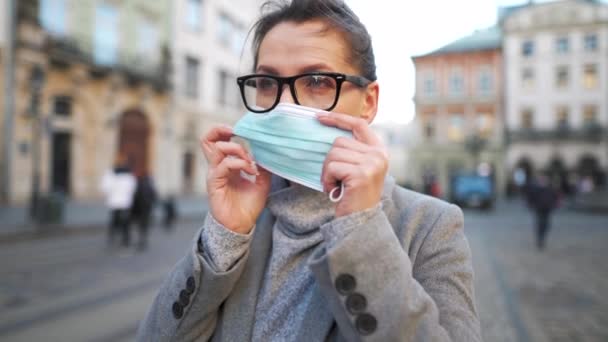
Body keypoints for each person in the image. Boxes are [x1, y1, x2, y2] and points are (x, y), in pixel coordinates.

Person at [137, 1, 480, 340]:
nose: (286, 106)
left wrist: (359, 228)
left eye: (317, 81)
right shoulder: (244, 220)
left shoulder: (429, 226)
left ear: (369, 102)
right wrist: (223, 236)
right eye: (268, 83)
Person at [100, 154, 136, 248]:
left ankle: (116, 237)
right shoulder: (128, 173)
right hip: (123, 201)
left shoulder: (111, 173)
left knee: (116, 220)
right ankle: (123, 238)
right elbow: (132, 187)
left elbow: (105, 187)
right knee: (123, 221)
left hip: (116, 200)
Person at [525, 174, 560, 250]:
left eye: (544, 179)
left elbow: (556, 197)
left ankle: (542, 237)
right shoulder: (536, 188)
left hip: (547, 208)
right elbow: (531, 197)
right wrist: (531, 205)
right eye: (542, 180)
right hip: (539, 208)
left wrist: (554, 204)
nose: (543, 181)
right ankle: (540, 239)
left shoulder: (550, 188)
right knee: (540, 223)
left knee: (546, 224)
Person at [130, 174, 158, 251]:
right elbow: (154, 197)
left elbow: (134, 198)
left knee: (140, 226)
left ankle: (141, 240)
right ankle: (143, 239)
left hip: (140, 210)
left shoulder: (138, 187)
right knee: (144, 226)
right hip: (147, 210)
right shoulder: (150, 186)